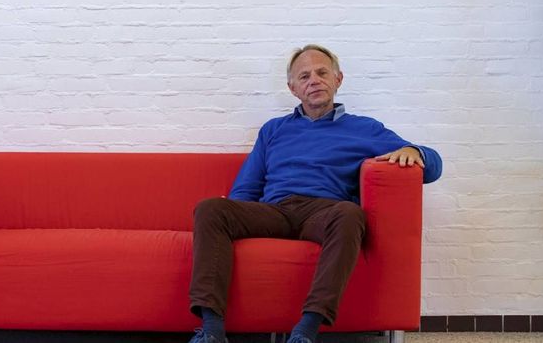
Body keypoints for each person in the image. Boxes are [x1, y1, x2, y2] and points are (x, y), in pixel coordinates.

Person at [187, 44, 442, 343]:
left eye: (322, 73)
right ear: (293, 88)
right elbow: (247, 186)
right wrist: (232, 213)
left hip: (324, 212)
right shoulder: (273, 130)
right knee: (210, 209)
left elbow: (433, 166)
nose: (314, 80)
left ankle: (306, 331)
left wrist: (415, 151)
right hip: (276, 211)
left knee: (350, 214)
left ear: (338, 79)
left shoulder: (364, 129)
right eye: (304, 76)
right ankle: (212, 332)